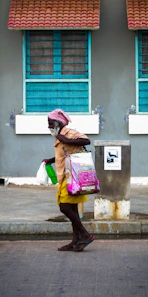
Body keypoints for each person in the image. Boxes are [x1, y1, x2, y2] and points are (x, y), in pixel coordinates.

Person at [43, 108, 95, 252]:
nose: (49, 126)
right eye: (48, 123)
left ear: (59, 123)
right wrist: (51, 160)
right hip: (65, 176)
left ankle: (85, 235)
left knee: (64, 207)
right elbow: (67, 153)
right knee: (71, 208)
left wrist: (65, 139)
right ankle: (75, 241)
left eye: (51, 123)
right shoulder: (59, 136)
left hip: (73, 177)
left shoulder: (68, 133)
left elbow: (86, 140)